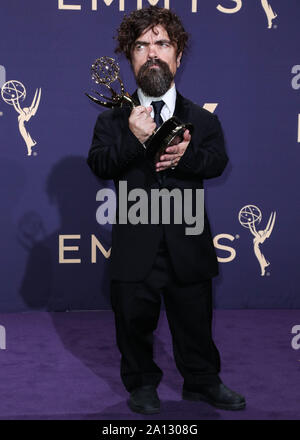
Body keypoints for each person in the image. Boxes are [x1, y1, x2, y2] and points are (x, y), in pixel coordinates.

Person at [87, 6, 246, 414]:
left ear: (177, 55)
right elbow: (100, 164)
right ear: (130, 57)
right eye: (141, 46)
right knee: (133, 324)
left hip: (188, 240)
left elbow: (217, 163)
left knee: (195, 322)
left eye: (162, 43)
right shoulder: (114, 119)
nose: (152, 52)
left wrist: (185, 156)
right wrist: (134, 139)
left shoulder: (200, 118)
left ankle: (202, 382)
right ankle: (141, 384)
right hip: (134, 243)